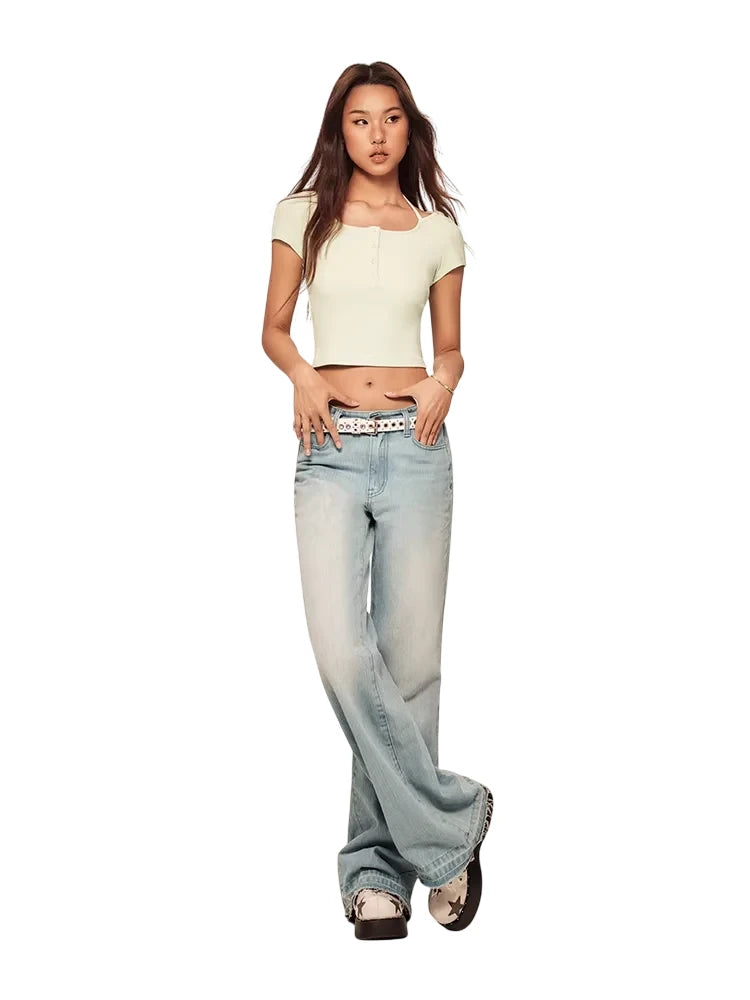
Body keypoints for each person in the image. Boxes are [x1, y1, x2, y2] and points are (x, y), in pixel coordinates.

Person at [262, 62, 494, 940]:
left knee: (409, 666)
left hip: (416, 447)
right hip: (328, 447)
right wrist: (300, 375)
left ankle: (375, 877)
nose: (377, 134)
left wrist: (444, 382)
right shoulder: (301, 216)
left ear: (409, 128)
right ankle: (451, 828)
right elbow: (273, 328)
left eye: (391, 118)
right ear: (340, 130)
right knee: (340, 650)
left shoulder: (437, 232)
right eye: (360, 120)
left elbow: (452, 347)